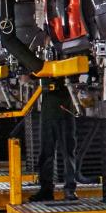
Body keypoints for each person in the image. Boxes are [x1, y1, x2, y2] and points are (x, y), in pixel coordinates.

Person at [29, 75, 78, 203]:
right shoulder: (43, 60)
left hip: (65, 108)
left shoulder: (66, 61)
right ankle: (46, 190)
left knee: (68, 152)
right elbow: (33, 72)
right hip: (48, 110)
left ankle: (70, 189)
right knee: (46, 152)